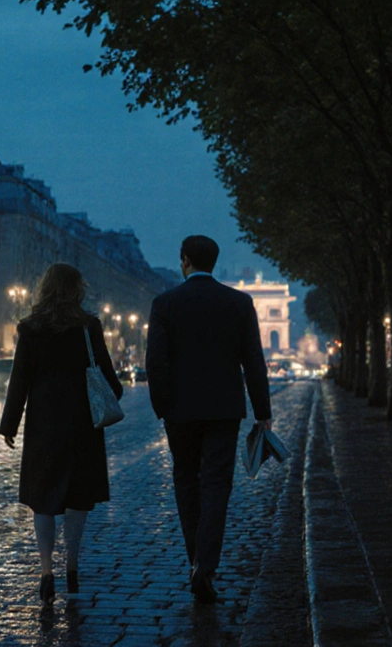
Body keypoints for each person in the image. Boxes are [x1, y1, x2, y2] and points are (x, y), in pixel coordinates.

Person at [146, 235, 272, 603]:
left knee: (185, 481)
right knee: (217, 486)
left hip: (179, 412)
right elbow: (253, 361)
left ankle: (195, 560)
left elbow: (156, 362)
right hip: (223, 410)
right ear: (213, 263)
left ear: (184, 260)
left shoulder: (164, 303)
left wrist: (162, 406)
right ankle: (206, 565)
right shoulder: (240, 302)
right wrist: (262, 412)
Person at [0, 263, 124, 605]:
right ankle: (71, 565)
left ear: (44, 288)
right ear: (77, 289)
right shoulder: (89, 327)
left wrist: (9, 426)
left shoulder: (30, 328)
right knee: (77, 498)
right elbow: (111, 380)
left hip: (43, 426)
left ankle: (45, 571)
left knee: (43, 499)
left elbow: (19, 382)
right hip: (83, 424)